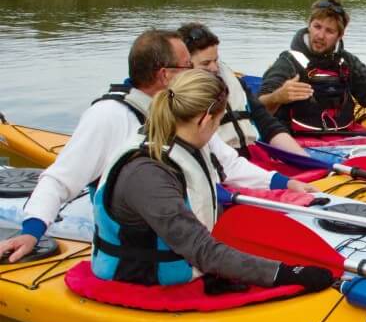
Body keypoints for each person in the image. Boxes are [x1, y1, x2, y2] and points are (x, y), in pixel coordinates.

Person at [0, 29, 310, 263]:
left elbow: (227, 163)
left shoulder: (185, 111)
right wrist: (31, 231)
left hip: (190, 223)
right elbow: (59, 179)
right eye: (188, 66)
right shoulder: (108, 117)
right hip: (142, 238)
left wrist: (284, 183)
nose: (197, 72)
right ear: (165, 75)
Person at [90, 68, 333, 290]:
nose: (216, 130)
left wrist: (283, 183)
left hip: (186, 259)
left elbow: (230, 168)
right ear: (205, 121)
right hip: (141, 280)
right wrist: (285, 273)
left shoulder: (182, 137)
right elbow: (202, 250)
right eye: (218, 124)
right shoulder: (147, 175)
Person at [257, 0, 366, 133]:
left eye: (329, 31)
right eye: (317, 27)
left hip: (342, 138)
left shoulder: (348, 62)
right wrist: (277, 96)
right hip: (296, 139)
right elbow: (259, 104)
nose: (320, 35)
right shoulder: (288, 62)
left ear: (339, 36)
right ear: (309, 26)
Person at [177, 22, 308, 157]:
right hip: (222, 164)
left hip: (249, 155)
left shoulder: (236, 83)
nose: (215, 68)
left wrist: (304, 159)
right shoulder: (180, 99)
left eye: (216, 60)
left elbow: (266, 123)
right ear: (185, 64)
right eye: (205, 64)